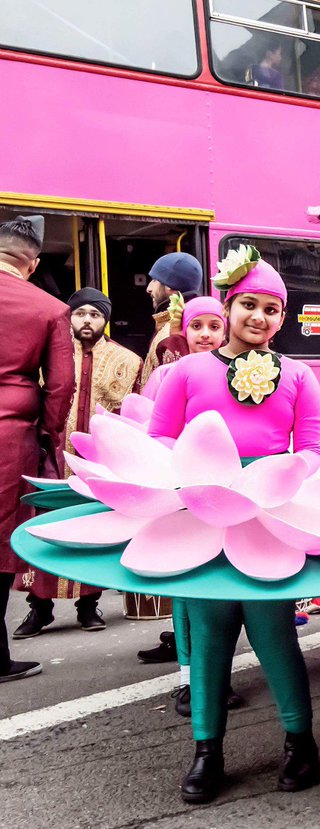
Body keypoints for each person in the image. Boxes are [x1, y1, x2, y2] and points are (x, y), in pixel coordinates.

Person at [149, 250, 320, 803]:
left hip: (265, 522)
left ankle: (301, 742)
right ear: (228, 307)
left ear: (282, 317)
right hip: (203, 518)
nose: (260, 317)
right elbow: (159, 438)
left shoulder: (299, 373)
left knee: (276, 640)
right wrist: (194, 484)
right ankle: (207, 752)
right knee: (208, 642)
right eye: (249, 304)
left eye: (272, 309)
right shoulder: (186, 370)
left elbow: (314, 447)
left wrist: (276, 481)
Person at [133, 297, 246, 716]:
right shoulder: (168, 373)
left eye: (214, 327)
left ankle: (220, 675)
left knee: (222, 587)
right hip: (182, 487)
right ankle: (187, 679)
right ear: (184, 330)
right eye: (197, 326)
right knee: (187, 589)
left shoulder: (244, 370)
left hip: (227, 491)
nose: (206, 335)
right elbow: (154, 430)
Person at [14, 287, 141, 638]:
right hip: (50, 458)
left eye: (95, 314)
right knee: (47, 529)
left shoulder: (128, 361)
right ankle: (39, 610)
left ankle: (89, 607)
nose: (87, 321)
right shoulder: (45, 354)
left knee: (95, 530)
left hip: (97, 463)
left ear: (106, 319)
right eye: (80, 313)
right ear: (70, 317)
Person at [0, 215, 73, 683]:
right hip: (10, 435)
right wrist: (47, 436)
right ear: (32, 264)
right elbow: (61, 387)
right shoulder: (48, 308)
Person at [141, 252, 204, 388]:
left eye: (154, 280)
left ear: (170, 285)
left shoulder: (175, 328)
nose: (148, 289)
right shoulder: (188, 321)